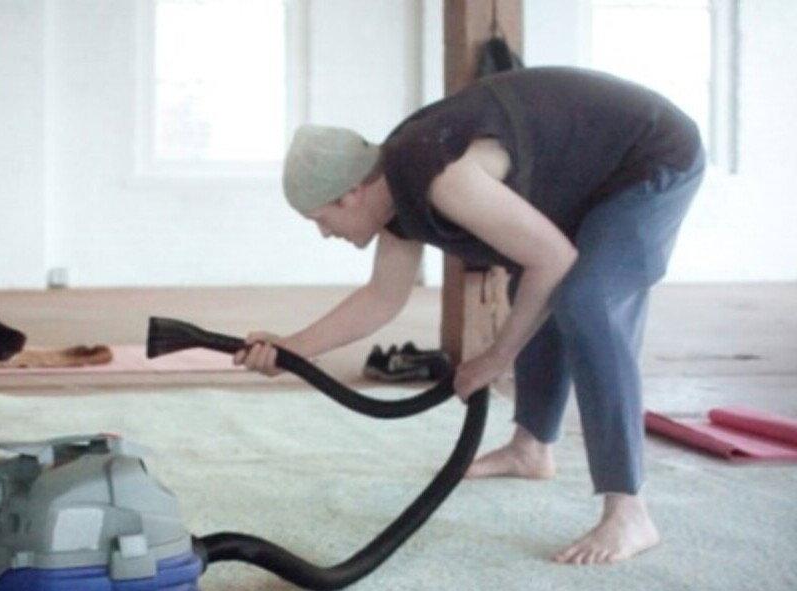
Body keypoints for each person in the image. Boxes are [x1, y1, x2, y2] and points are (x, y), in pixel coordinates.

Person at [233, 66, 705, 565]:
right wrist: (292, 349)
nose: (325, 233)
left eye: (321, 219)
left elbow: (553, 260)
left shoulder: (439, 176)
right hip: (594, 168)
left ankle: (629, 509)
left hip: (651, 156)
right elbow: (382, 298)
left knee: (586, 299)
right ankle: (531, 448)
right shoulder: (393, 188)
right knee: (537, 290)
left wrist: (495, 358)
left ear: (350, 193)